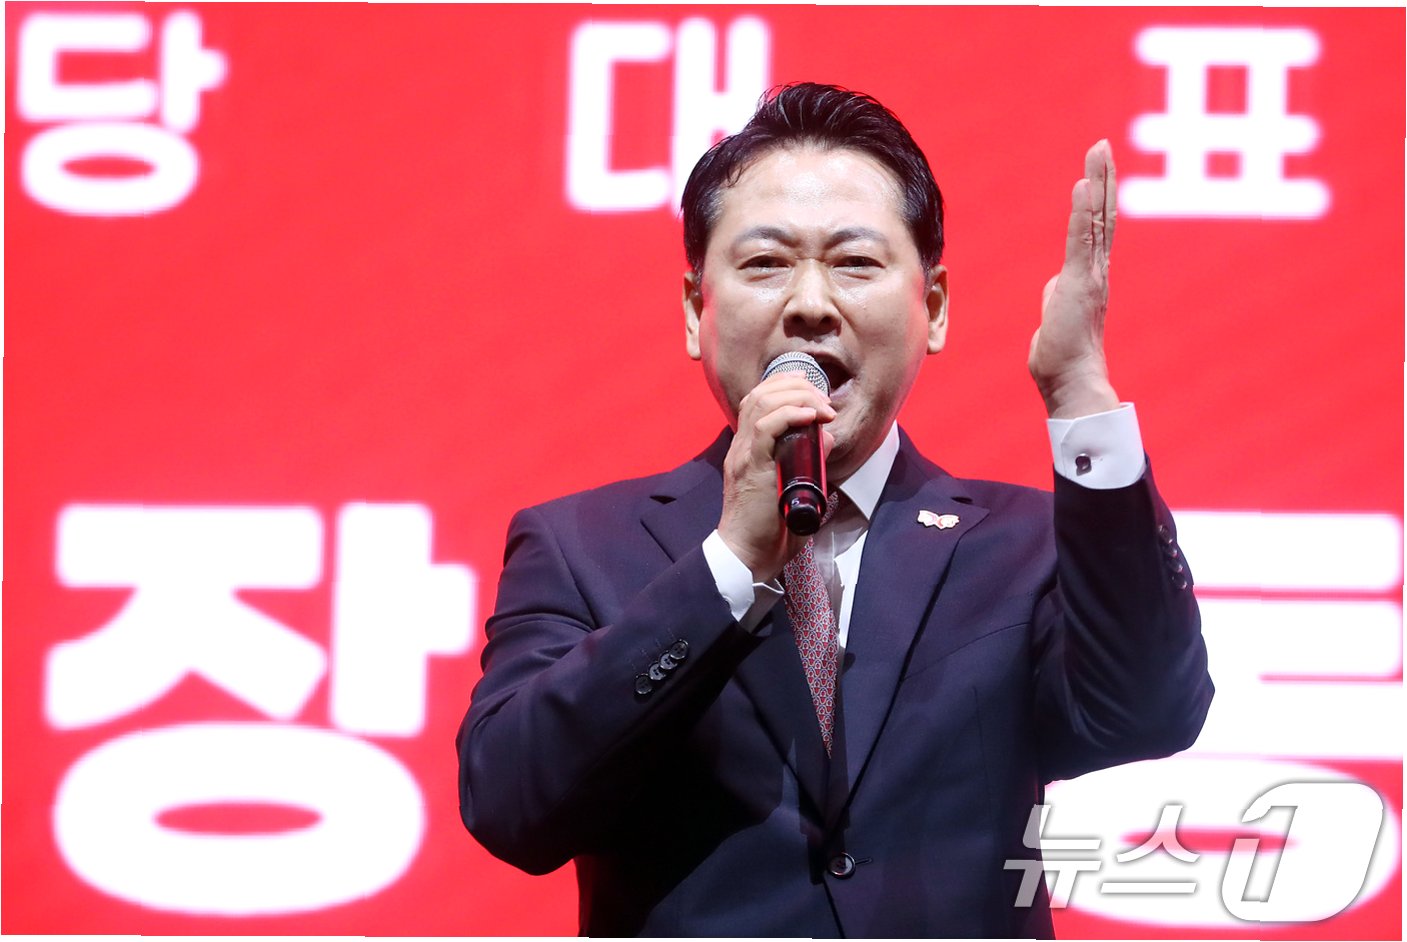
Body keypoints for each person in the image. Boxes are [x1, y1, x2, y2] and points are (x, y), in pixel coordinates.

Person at [456, 82, 1212, 938]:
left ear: (932, 309)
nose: (809, 304)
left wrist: (1078, 393)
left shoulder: (1023, 546)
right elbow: (511, 804)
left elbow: (1150, 710)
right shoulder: (579, 546)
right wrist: (729, 566)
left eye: (854, 262)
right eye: (764, 263)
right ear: (696, 311)